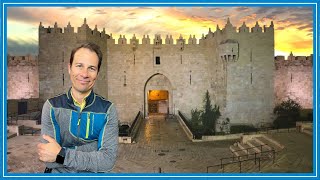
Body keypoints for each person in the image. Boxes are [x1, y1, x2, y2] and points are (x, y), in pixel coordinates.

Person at [37, 43, 118, 173]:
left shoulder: (108, 110)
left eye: (91, 68)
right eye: (79, 66)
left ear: (97, 73)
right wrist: (94, 148)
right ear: (69, 68)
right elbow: (48, 160)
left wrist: (61, 153)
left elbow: (107, 161)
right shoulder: (52, 106)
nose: (84, 74)